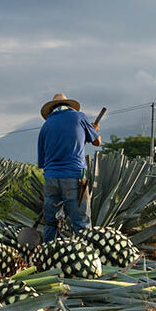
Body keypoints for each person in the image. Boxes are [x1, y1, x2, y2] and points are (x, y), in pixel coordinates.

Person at [37, 93, 101, 242]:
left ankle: (47, 258)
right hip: (74, 177)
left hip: (51, 178)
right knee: (81, 224)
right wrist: (94, 131)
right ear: (69, 105)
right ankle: (84, 259)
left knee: (51, 223)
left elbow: (43, 163)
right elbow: (97, 142)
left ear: (52, 108)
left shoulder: (45, 126)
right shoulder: (79, 117)